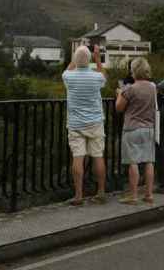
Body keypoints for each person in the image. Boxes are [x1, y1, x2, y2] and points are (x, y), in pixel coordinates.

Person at [62, 44, 107, 206]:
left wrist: (75, 57)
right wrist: (97, 58)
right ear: (89, 60)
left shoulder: (68, 77)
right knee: (98, 156)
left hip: (75, 124)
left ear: (75, 59)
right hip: (95, 122)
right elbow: (104, 76)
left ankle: (78, 195)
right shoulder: (96, 77)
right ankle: (101, 192)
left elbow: (68, 69)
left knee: (78, 157)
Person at [116, 57, 156, 205]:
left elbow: (119, 108)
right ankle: (149, 194)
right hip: (149, 128)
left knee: (133, 162)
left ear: (134, 71)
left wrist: (119, 93)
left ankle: (133, 196)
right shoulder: (152, 87)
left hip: (132, 128)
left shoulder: (130, 89)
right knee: (149, 161)